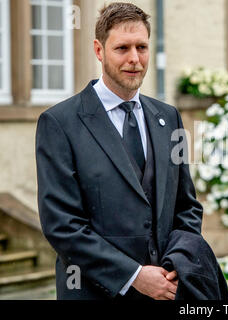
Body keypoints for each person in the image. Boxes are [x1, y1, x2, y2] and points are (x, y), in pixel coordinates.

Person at [35, 2, 205, 300]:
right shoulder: (60, 123)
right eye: (122, 48)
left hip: (165, 291)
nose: (135, 59)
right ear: (99, 51)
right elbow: (63, 226)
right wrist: (134, 276)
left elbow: (186, 207)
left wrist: (177, 262)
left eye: (142, 47)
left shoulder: (169, 118)